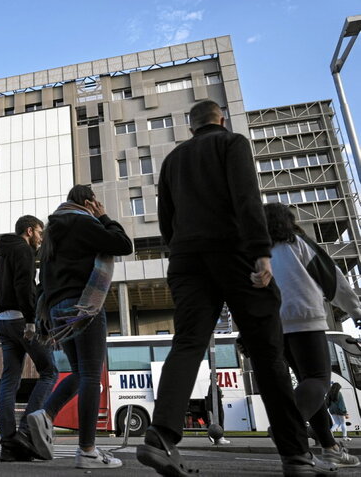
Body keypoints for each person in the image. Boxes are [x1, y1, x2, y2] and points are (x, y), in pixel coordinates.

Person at [136, 100, 337, 476]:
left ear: (190, 125)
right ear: (221, 120)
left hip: (186, 259)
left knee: (188, 343)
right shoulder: (232, 144)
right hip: (233, 253)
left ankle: (161, 436)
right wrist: (261, 254)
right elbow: (246, 197)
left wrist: (180, 250)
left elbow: (167, 220)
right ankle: (295, 454)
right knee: (266, 351)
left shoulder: (172, 160)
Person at [27, 184, 133, 469]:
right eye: (95, 202)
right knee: (91, 377)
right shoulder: (83, 222)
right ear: (88, 202)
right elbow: (123, 245)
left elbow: (44, 277)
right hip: (83, 305)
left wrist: (46, 312)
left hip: (57, 309)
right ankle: (87, 450)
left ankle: (46, 414)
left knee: (77, 372)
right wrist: (105, 217)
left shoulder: (52, 230)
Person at [264, 203, 359, 468]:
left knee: (309, 385)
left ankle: (330, 447)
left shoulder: (259, 252)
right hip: (305, 317)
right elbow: (333, 278)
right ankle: (288, 425)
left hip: (276, 325)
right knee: (318, 380)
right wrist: (356, 310)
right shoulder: (299, 243)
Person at [0, 215, 57, 462]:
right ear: (29, 231)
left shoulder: (5, 252)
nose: (41, 238)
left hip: (2, 321)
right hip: (22, 320)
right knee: (49, 372)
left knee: (9, 379)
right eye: (40, 233)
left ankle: (9, 445)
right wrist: (32, 320)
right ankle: (25, 431)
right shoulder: (24, 251)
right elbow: (25, 286)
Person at [205, 373, 230, 445]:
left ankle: (220, 437)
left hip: (218, 406)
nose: (217, 379)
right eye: (216, 377)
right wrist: (211, 410)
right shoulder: (213, 387)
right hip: (217, 407)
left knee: (220, 422)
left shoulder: (214, 387)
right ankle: (220, 437)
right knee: (220, 422)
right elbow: (211, 399)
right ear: (213, 378)